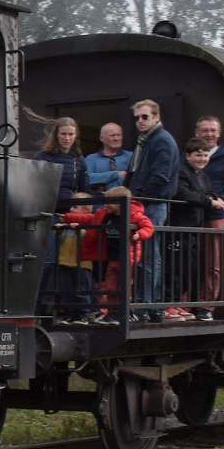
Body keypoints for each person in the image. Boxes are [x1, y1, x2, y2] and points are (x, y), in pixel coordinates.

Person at [124, 100, 179, 322]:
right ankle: (148, 305)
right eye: (137, 118)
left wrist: (139, 198)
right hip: (146, 203)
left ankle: (145, 306)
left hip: (152, 204)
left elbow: (160, 175)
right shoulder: (147, 141)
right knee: (146, 255)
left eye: (145, 117)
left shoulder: (161, 140)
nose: (140, 121)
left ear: (156, 117)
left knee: (147, 256)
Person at [33, 117, 92, 320]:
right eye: (63, 134)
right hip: (50, 213)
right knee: (48, 260)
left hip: (73, 214)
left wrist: (81, 213)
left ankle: (75, 308)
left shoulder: (79, 160)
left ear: (76, 136)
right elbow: (37, 187)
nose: (67, 138)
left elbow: (85, 190)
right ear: (56, 135)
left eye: (71, 134)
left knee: (75, 263)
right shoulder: (44, 156)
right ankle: (37, 306)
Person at [60, 195, 155, 322]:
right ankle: (112, 312)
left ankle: (125, 313)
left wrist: (140, 234)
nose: (106, 205)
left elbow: (148, 226)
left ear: (119, 204)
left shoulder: (134, 215)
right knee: (111, 287)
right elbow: (90, 218)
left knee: (124, 287)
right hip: (113, 257)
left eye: (109, 202)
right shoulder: (105, 215)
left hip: (127, 258)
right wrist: (67, 217)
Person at [166, 138, 224, 321]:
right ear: (188, 155)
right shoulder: (182, 172)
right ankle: (168, 305)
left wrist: (216, 198)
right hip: (178, 227)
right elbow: (182, 193)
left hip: (193, 230)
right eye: (198, 155)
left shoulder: (202, 175)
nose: (202, 159)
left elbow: (209, 192)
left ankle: (177, 305)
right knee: (175, 268)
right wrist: (209, 202)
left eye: (206, 155)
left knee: (188, 269)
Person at [194, 115, 224, 310]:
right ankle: (185, 304)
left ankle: (207, 306)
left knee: (211, 263)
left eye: (213, 130)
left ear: (219, 133)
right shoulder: (187, 156)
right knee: (189, 261)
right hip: (191, 216)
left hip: (215, 217)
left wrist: (223, 199)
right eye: (205, 130)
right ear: (197, 133)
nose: (209, 134)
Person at [86, 122, 132, 192]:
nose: (116, 138)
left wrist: (105, 187)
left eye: (119, 135)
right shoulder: (91, 159)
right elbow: (88, 180)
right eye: (112, 135)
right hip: (99, 202)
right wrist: (116, 174)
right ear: (101, 138)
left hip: (125, 202)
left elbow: (133, 179)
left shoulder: (131, 156)